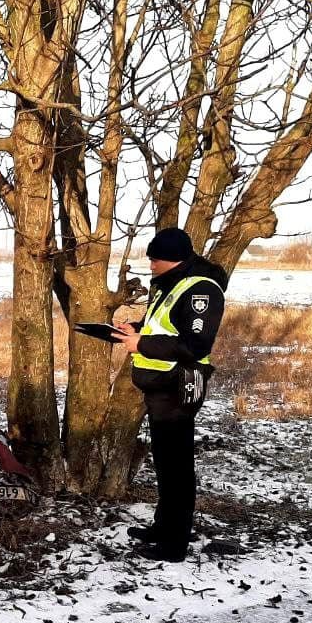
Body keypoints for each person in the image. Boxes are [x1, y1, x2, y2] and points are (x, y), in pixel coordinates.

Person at [111, 227, 227, 562]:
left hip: (180, 386)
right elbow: (162, 324)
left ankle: (174, 544)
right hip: (161, 387)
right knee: (164, 462)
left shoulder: (201, 289)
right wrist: (136, 328)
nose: (150, 265)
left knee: (177, 467)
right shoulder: (172, 283)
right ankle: (163, 528)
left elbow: (195, 344)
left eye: (155, 259)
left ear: (173, 258)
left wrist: (141, 344)